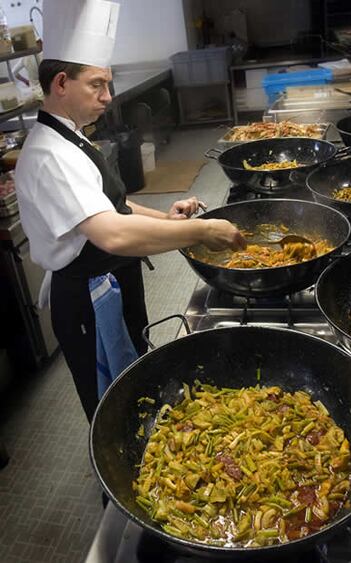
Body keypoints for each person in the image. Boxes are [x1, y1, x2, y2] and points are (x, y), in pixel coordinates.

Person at [15, 0, 245, 423]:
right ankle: (116, 484)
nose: (108, 96)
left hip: (113, 279)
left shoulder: (73, 137)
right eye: (97, 85)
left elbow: (112, 206)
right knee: (111, 399)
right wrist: (201, 231)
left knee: (133, 376)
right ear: (62, 83)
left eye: (108, 84)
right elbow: (113, 234)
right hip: (87, 296)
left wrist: (168, 221)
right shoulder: (50, 154)